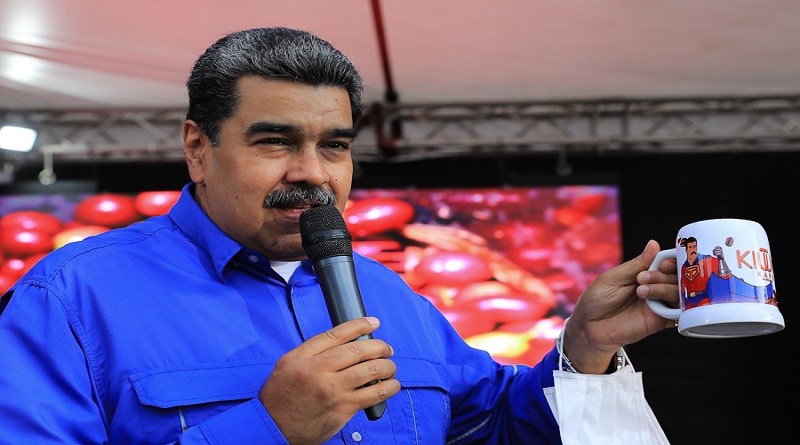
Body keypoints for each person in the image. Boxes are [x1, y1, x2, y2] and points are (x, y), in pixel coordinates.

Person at [0, 27, 679, 444]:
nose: (313, 173)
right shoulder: (69, 298)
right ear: (198, 148)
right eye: (275, 141)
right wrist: (267, 428)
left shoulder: (389, 294)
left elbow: (496, 426)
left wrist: (584, 348)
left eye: (335, 145)